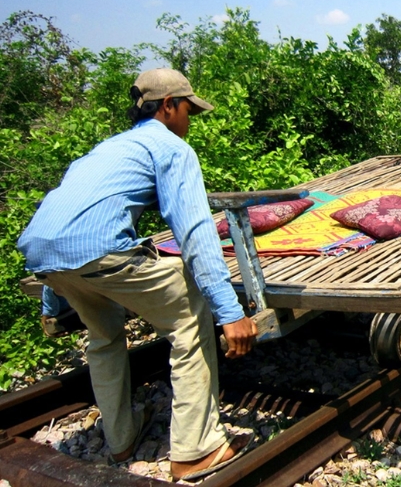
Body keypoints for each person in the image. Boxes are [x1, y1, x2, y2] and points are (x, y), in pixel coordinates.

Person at [17, 68, 257, 481]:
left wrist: (53, 303)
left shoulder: (104, 150)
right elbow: (195, 231)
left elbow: (55, 229)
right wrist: (230, 312)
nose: (189, 122)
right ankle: (196, 449)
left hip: (46, 259)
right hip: (100, 254)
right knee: (188, 313)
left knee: (104, 332)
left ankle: (121, 439)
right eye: (188, 111)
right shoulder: (170, 148)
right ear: (168, 106)